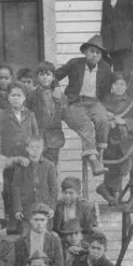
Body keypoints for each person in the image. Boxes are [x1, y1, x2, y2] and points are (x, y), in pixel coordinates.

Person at [52, 38, 112, 171]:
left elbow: (107, 92)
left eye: (98, 52)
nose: (94, 55)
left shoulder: (105, 68)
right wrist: (56, 87)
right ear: (85, 52)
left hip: (95, 102)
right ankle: (93, 160)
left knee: (103, 121)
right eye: (91, 51)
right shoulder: (75, 63)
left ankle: (100, 156)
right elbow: (54, 76)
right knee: (86, 125)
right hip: (76, 102)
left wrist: (106, 108)